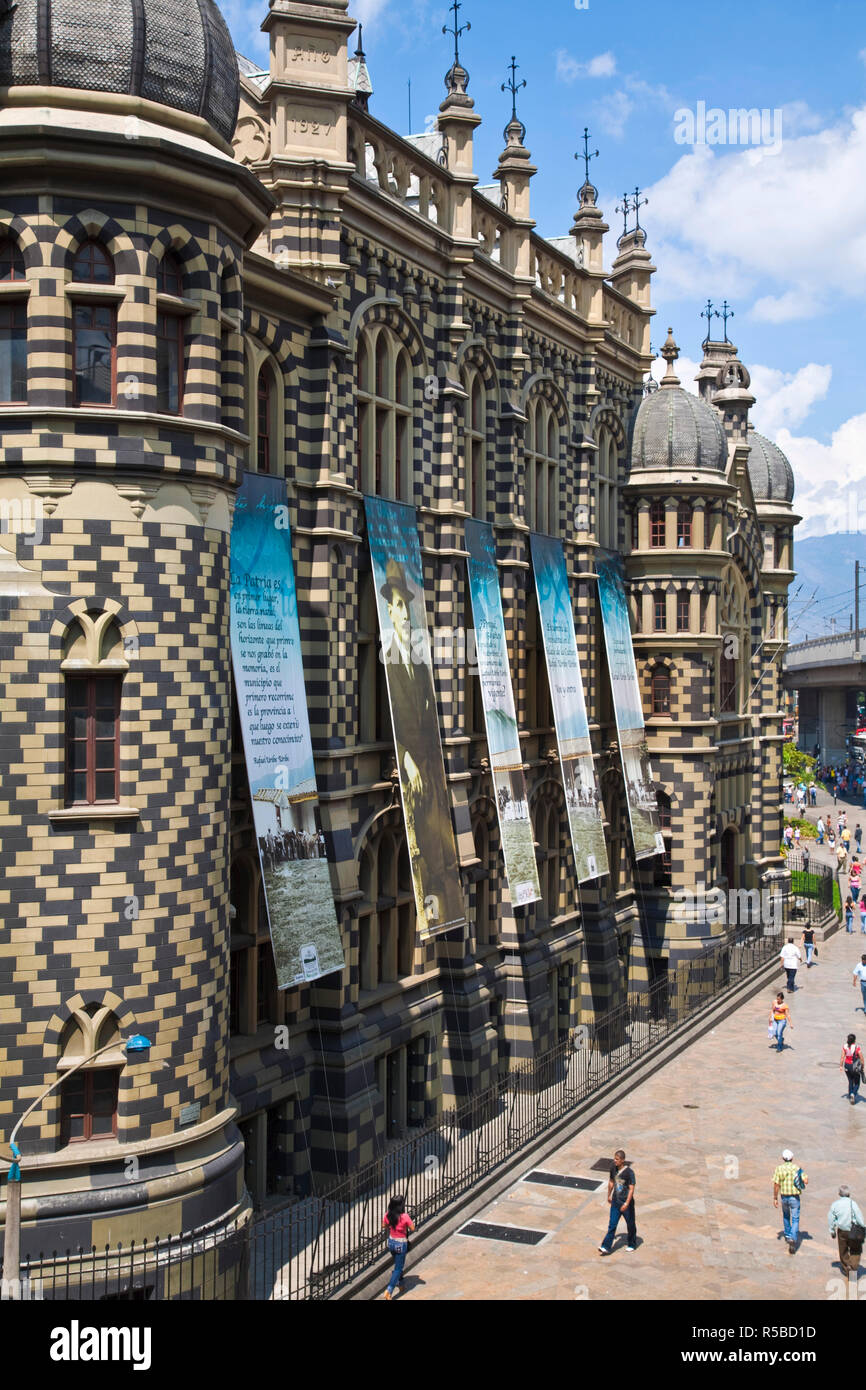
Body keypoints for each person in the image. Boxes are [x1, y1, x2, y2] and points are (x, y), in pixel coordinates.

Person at [379, 559, 464, 933]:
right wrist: (406, 758)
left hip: (432, 768)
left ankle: (442, 909)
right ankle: (433, 908)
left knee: (443, 850)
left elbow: (428, 715)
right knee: (426, 855)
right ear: (388, 610)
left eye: (407, 606)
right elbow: (398, 716)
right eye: (397, 606)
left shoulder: (417, 658)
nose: (405, 614)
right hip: (411, 770)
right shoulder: (388, 659)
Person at [598, 1150, 637, 1255]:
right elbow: (611, 1182)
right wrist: (609, 1195)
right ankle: (605, 1246)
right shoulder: (613, 1168)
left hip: (626, 1203)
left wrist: (627, 1203)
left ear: (622, 1160)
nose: (614, 1161)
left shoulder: (629, 1173)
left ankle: (632, 1243)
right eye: (614, 1158)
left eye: (617, 1159)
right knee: (612, 1224)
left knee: (630, 1224)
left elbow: (631, 1189)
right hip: (616, 1201)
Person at [773, 1148, 808, 1253]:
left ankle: (788, 1235)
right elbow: (806, 1180)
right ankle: (793, 1237)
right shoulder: (796, 1168)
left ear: (783, 1158)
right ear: (792, 1158)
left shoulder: (779, 1169)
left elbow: (776, 1184)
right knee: (795, 1218)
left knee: (786, 1216)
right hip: (794, 1197)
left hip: (784, 1196)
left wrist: (775, 1197)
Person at [382, 1193, 416, 1299]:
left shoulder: (388, 1215)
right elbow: (413, 1228)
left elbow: (384, 1225)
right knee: (398, 1268)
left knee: (398, 1264)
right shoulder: (404, 1216)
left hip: (391, 1242)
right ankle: (389, 1290)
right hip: (401, 1243)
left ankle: (400, 1284)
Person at [828, 1185, 864, 1281]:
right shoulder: (853, 1204)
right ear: (849, 1194)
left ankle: (846, 1267)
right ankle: (852, 1267)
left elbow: (831, 1219)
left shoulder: (835, 1204)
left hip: (841, 1231)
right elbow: (859, 1218)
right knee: (855, 1251)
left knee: (843, 1250)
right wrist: (863, 1228)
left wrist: (832, 1231)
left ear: (839, 1194)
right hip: (854, 1230)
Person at [841, 1033, 864, 1105]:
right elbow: (861, 1058)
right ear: (854, 1040)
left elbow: (842, 1057)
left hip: (847, 1066)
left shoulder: (845, 1047)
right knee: (857, 1082)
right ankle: (853, 1094)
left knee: (850, 1081)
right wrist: (862, 1066)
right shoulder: (857, 1047)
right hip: (855, 1066)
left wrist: (841, 1066)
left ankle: (850, 1093)